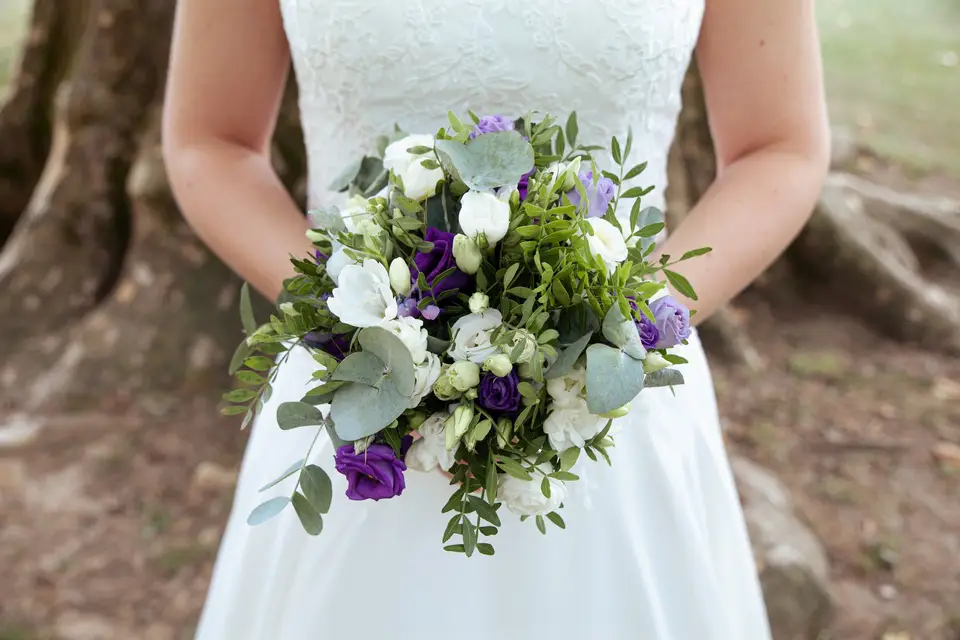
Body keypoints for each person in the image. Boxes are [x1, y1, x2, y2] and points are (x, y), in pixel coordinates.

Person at [162, 1, 829, 638]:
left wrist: (619, 327)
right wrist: (354, 320)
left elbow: (777, 146)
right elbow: (212, 142)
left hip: (607, 403)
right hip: (355, 410)